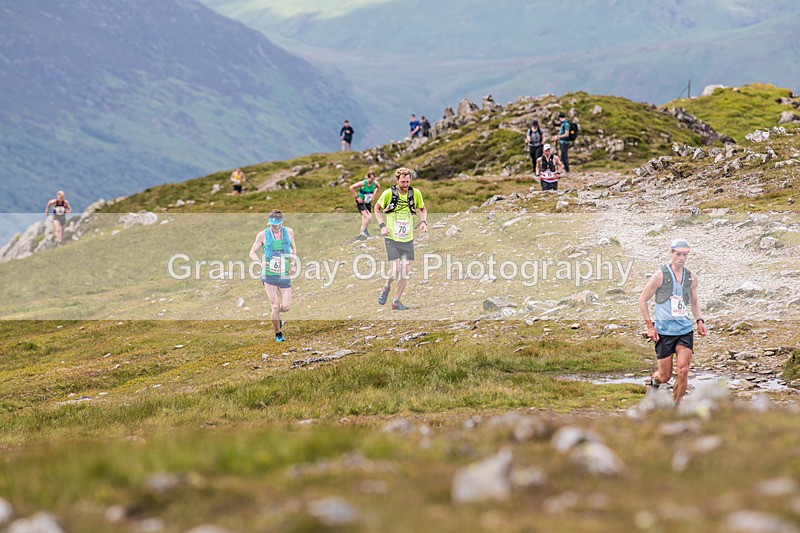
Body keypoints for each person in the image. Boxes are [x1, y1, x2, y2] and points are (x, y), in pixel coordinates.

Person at [638, 238, 708, 405]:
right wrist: (650, 326)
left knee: (683, 370)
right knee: (664, 376)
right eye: (678, 254)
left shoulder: (691, 277)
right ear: (671, 253)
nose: (681, 258)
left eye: (685, 255)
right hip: (664, 331)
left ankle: (675, 408)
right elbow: (642, 300)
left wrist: (699, 320)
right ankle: (654, 382)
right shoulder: (660, 276)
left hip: (684, 330)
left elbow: (694, 301)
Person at [374, 167, 427, 310]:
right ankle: (387, 286)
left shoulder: (415, 193)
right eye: (402, 182)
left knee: (405, 271)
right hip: (391, 237)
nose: (405, 184)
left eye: (407, 181)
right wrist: (382, 226)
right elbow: (377, 208)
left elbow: (422, 208)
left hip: (407, 238)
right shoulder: (388, 193)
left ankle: (396, 301)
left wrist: (423, 222)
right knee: (396, 269)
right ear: (397, 180)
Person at [249, 210, 297, 342]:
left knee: (286, 307)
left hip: (284, 273)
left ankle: (275, 314)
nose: (275, 227)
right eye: (273, 224)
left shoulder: (289, 232)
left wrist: (293, 264)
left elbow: (293, 248)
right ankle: (278, 334)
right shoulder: (262, 235)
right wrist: (260, 263)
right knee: (275, 306)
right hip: (269, 274)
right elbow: (252, 252)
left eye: (277, 224)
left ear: (282, 221)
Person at [349, 171, 380, 237]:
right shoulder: (363, 183)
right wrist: (357, 197)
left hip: (368, 202)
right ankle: (362, 231)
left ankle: (364, 233)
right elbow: (351, 187)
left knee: (365, 218)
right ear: (368, 178)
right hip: (361, 202)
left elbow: (378, 188)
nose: (372, 181)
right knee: (369, 217)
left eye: (373, 179)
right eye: (371, 179)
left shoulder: (375, 183)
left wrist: (373, 196)